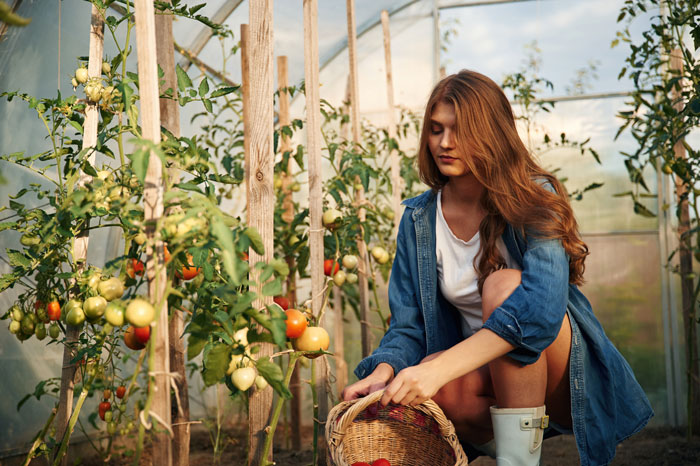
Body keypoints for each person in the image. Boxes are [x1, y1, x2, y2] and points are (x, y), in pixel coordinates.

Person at [341, 70, 653, 466]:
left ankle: (518, 461)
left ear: (491, 133)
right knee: (425, 379)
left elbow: (539, 313)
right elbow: (409, 327)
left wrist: (442, 368)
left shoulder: (535, 196)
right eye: (435, 130)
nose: (445, 143)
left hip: (554, 368)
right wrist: (383, 370)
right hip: (483, 379)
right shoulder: (419, 219)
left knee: (503, 287)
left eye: (460, 130)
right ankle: (510, 452)